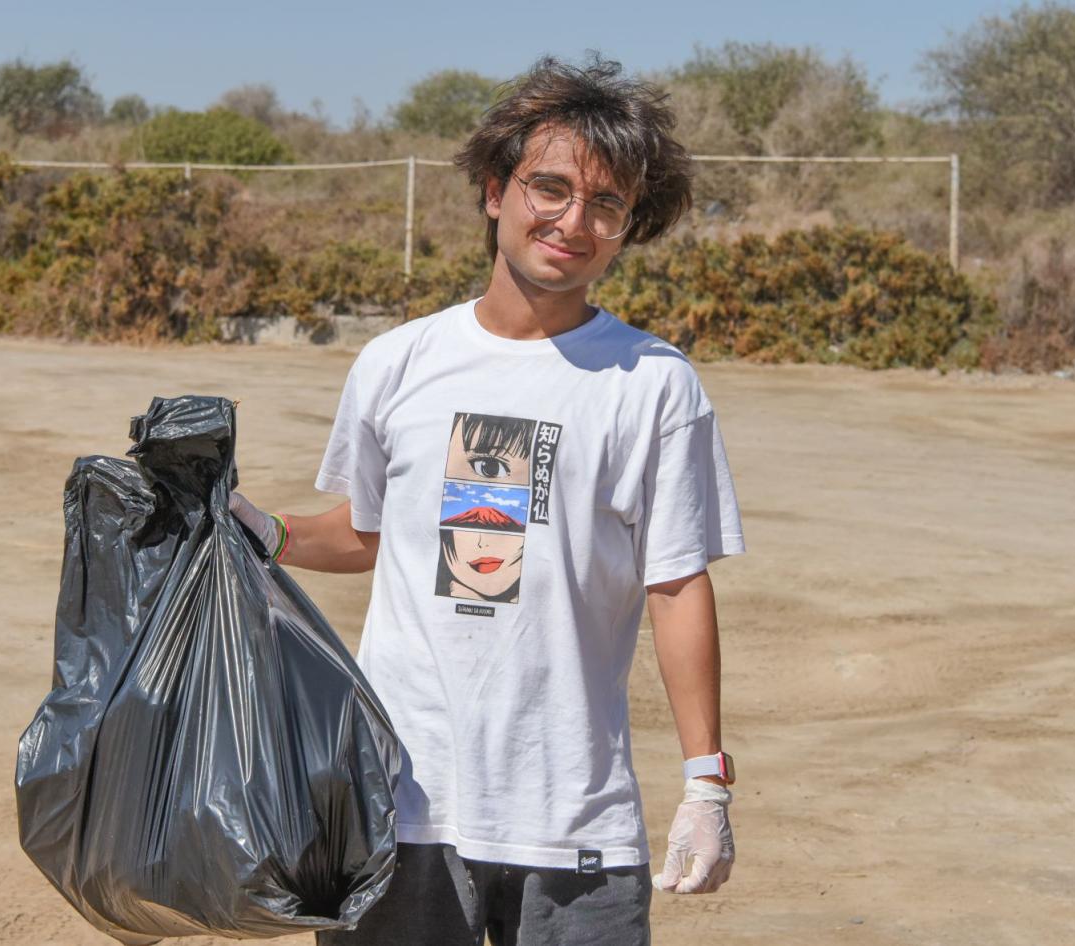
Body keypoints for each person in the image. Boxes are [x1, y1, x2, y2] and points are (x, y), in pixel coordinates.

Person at [229, 54, 744, 946]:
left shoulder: (654, 385)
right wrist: (263, 531)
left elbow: (674, 584)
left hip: (575, 817)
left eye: (607, 203)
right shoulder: (397, 363)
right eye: (551, 188)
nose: (573, 222)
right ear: (495, 191)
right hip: (400, 803)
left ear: (629, 227)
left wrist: (707, 783)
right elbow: (371, 535)